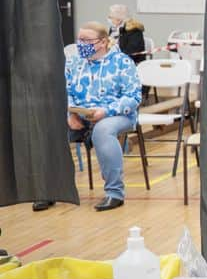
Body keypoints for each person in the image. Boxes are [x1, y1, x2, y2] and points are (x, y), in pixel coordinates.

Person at [34, 22, 142, 212]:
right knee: (50, 127)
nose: (81, 44)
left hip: (116, 114)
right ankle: (49, 190)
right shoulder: (74, 63)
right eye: (79, 39)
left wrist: (105, 112)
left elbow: (133, 97)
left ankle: (114, 193)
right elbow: (65, 91)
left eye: (86, 40)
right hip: (80, 113)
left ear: (102, 42)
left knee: (102, 130)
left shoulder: (122, 62)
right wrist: (70, 113)